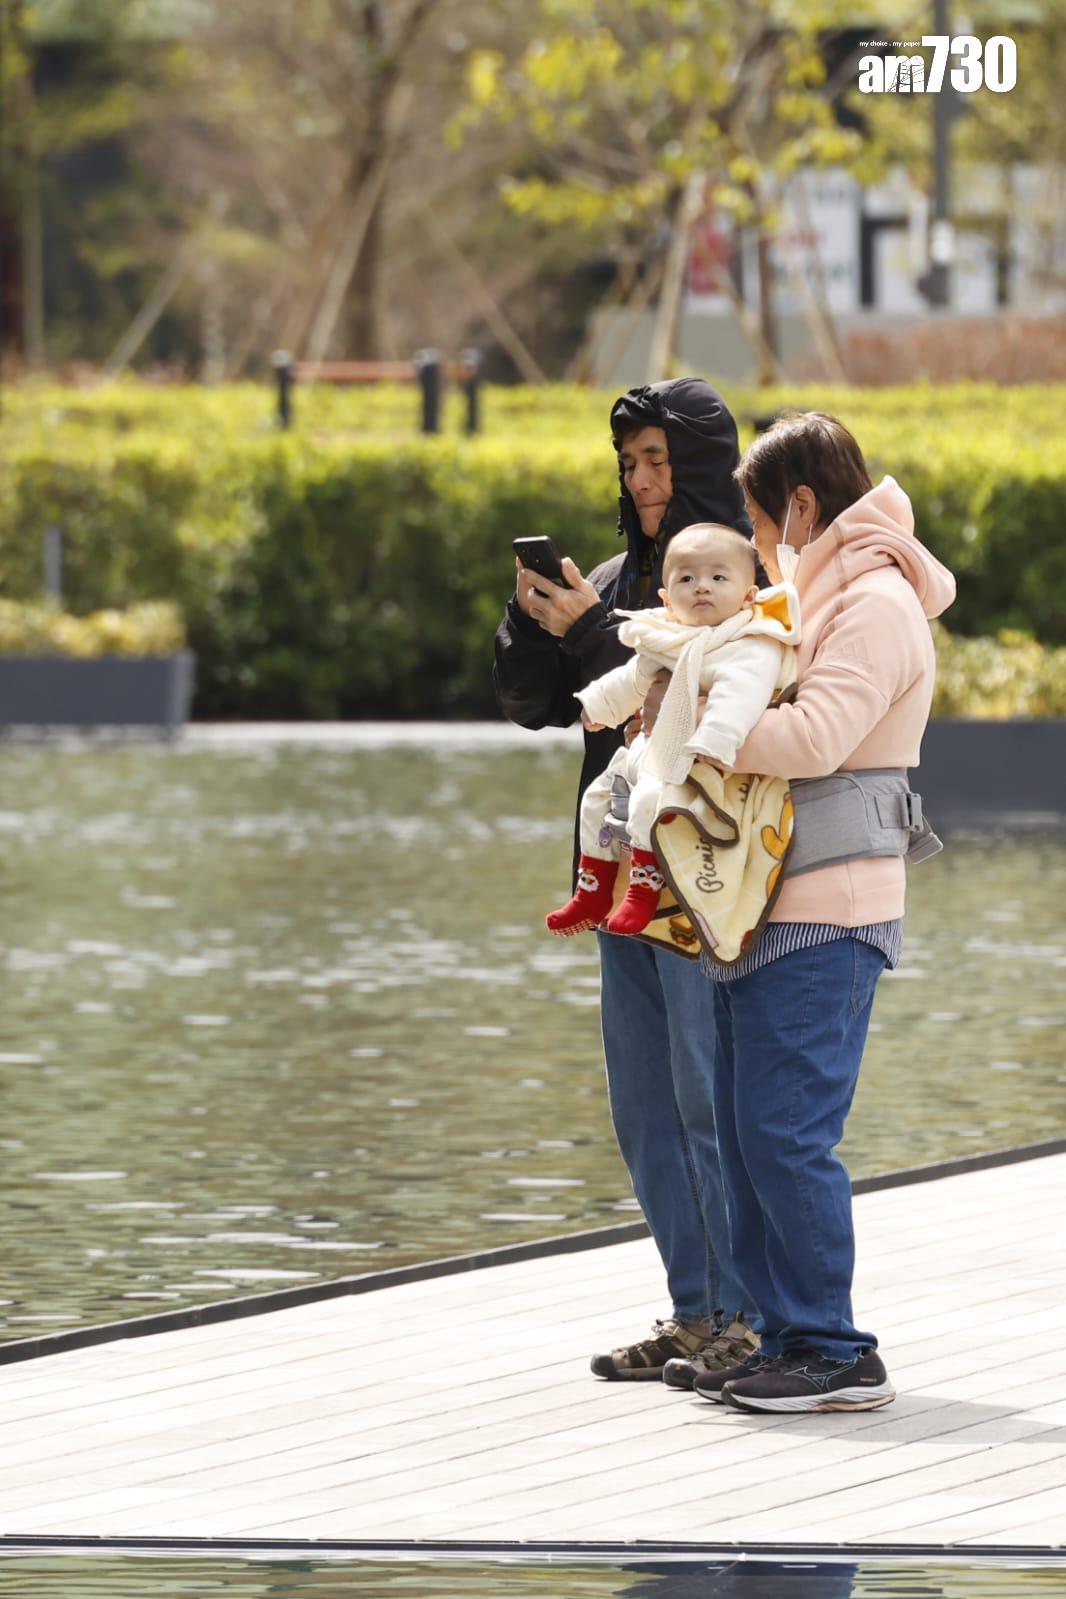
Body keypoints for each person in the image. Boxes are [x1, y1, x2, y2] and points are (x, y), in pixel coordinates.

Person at [678, 411, 956, 1413]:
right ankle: (782, 1339)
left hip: (829, 908)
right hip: (762, 904)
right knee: (750, 1131)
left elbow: (820, 735)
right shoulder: (816, 594)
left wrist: (697, 734)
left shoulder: (874, 603)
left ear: (800, 506)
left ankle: (834, 1350)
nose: (754, 549)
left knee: (785, 1133)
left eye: (758, 527)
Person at [493, 378, 759, 1384]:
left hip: (708, 876)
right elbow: (539, 706)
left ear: (696, 463)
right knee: (644, 1108)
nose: (641, 481)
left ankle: (748, 1319)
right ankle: (695, 1314)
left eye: (657, 460)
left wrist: (597, 631)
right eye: (628, 463)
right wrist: (537, 627)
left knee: (709, 1100)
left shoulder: (744, 574)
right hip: (615, 881)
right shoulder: (614, 577)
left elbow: (702, 694)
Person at [546, 522, 799, 941]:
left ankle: (642, 889)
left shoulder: (750, 643)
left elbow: (740, 696)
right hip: (649, 750)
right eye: (686, 579)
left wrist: (714, 740)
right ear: (666, 597)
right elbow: (632, 678)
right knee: (596, 797)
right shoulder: (666, 636)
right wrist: (597, 706)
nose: (702, 588)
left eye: (718, 578)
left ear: (749, 594)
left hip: (696, 760)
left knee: (647, 799)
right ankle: (593, 886)